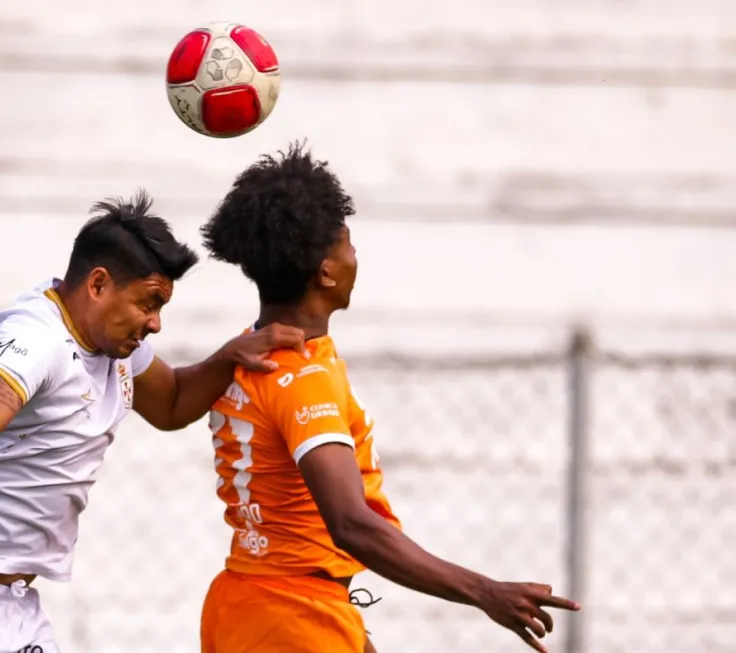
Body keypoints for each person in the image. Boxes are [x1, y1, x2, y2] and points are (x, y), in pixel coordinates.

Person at [0, 191, 305, 653]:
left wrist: (230, 356)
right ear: (99, 284)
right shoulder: (34, 336)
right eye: (149, 303)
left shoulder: (117, 347)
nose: (155, 324)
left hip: (13, 608)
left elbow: (172, 404)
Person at [198, 143, 580, 653]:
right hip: (294, 618)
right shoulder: (302, 378)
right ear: (326, 272)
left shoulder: (247, 351)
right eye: (348, 244)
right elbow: (352, 524)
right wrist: (485, 592)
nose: (356, 256)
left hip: (249, 601)